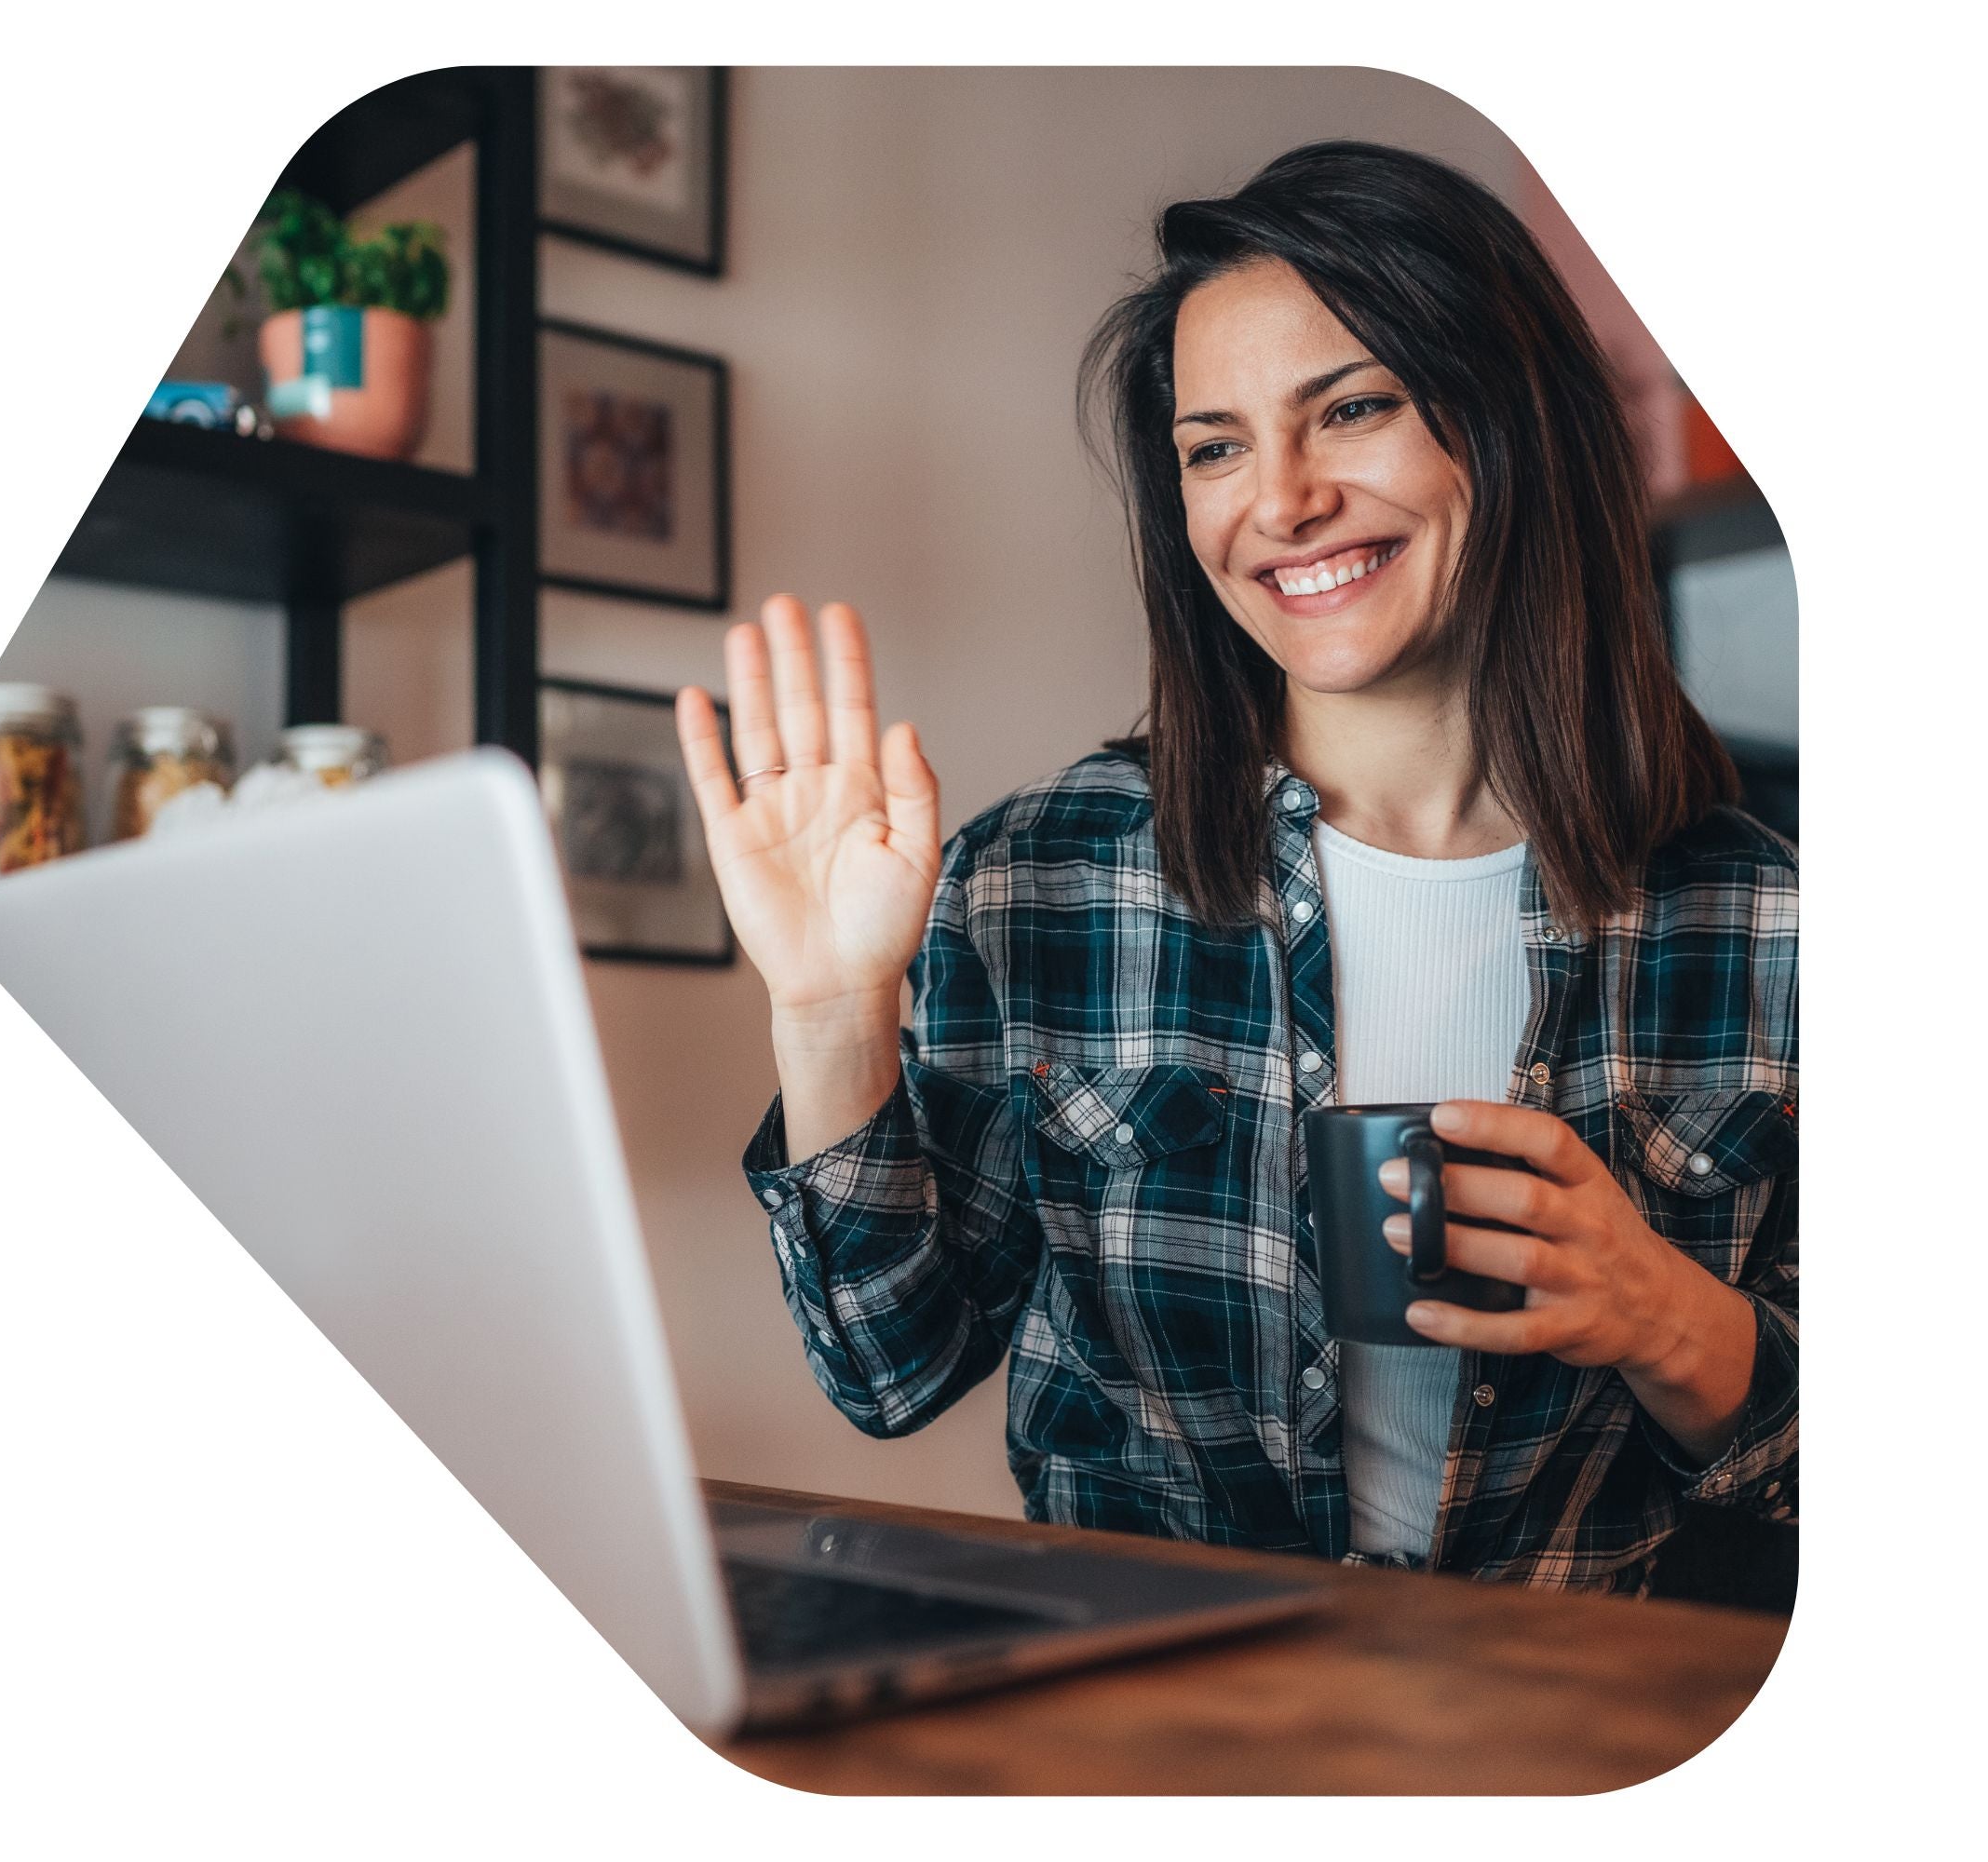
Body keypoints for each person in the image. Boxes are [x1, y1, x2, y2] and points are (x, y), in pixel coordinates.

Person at [672, 140, 1796, 1592]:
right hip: (1157, 1723)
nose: (1281, 499)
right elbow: (891, 1371)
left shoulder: (1768, 919)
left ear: (1515, 423)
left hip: (1577, 1740)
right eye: (1215, 446)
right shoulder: (1039, 879)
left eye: (1354, 409)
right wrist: (830, 1018)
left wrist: (1666, 1320)